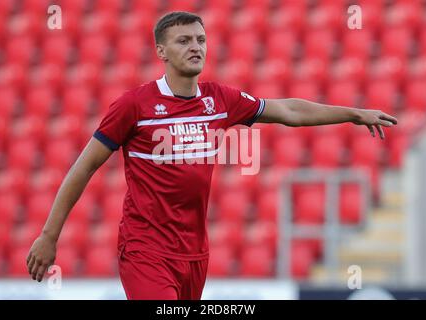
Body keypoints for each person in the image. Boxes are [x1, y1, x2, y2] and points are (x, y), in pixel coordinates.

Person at [26, 11, 398, 299]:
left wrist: (353, 113)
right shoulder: (134, 106)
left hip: (195, 253)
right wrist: (49, 235)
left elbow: (290, 113)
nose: (196, 47)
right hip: (146, 249)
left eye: (201, 39)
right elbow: (84, 166)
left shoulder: (220, 99)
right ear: (161, 51)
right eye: (184, 40)